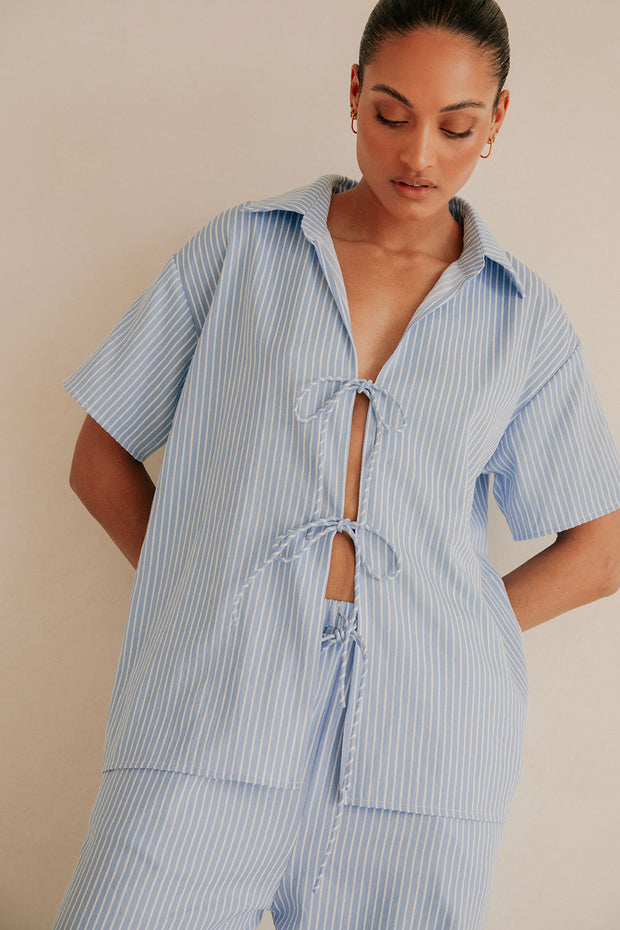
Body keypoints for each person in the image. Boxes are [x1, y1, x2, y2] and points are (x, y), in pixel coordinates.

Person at [52, 1, 620, 928]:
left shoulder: (522, 317)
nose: (418, 155)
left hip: (422, 742)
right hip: (213, 704)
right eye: (392, 115)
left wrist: (450, 635)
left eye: (456, 127)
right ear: (354, 94)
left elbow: (602, 547)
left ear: (498, 120)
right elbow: (99, 454)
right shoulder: (243, 250)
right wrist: (203, 592)